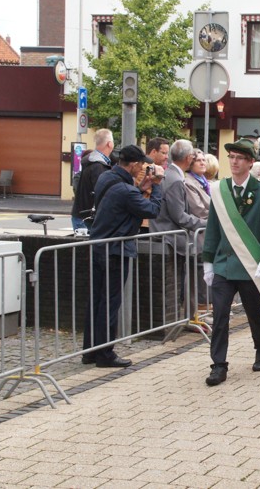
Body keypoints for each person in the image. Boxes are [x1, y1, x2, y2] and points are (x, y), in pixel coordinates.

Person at [202, 139, 260, 387]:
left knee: (253, 311)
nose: (234, 162)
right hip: (224, 264)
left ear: (250, 162)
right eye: (231, 157)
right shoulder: (220, 189)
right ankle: (218, 365)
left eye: (240, 158)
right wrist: (208, 261)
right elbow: (213, 227)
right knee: (220, 315)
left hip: (250, 264)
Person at [82, 145, 164, 368]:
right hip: (115, 251)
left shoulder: (107, 177)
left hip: (99, 246)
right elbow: (152, 210)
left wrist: (141, 187)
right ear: (134, 164)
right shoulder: (126, 190)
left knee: (96, 300)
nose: (143, 168)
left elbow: (122, 200)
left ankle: (90, 351)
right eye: (142, 164)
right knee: (110, 303)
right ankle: (105, 354)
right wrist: (156, 186)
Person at [149, 140, 207, 308]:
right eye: (194, 156)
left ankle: (191, 313)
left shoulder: (171, 175)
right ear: (188, 158)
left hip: (168, 235)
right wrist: (206, 224)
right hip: (172, 239)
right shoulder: (175, 180)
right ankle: (189, 313)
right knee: (186, 280)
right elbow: (180, 216)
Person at [184, 149, 212, 312]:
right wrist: (219, 214)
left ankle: (205, 308)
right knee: (197, 274)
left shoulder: (204, 182)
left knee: (205, 273)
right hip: (198, 233)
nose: (202, 162)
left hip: (207, 234)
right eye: (198, 160)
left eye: (204, 160)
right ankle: (198, 310)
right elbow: (199, 209)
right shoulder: (189, 182)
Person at [71, 128, 114, 231]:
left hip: (82, 214)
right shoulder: (98, 166)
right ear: (110, 144)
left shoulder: (92, 161)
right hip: (88, 217)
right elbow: (102, 193)